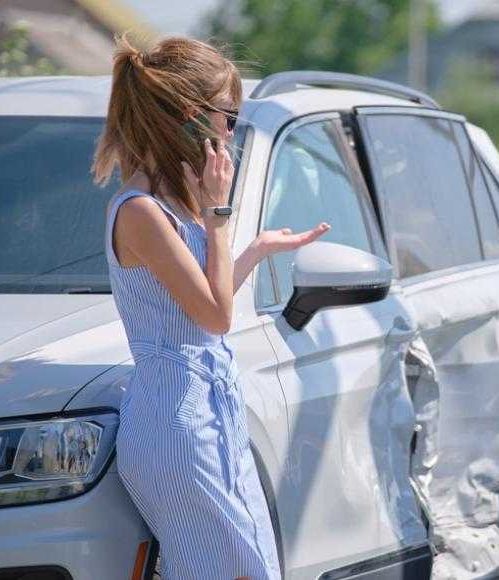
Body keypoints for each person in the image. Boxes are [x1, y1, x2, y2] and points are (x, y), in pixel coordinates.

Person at [93, 35, 329, 579]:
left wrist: (253, 251)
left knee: (244, 568)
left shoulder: (171, 204)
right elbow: (215, 316)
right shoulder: (141, 211)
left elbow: (196, 307)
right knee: (228, 571)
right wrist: (219, 214)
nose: (231, 132)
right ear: (190, 115)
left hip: (206, 410)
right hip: (178, 423)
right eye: (228, 117)